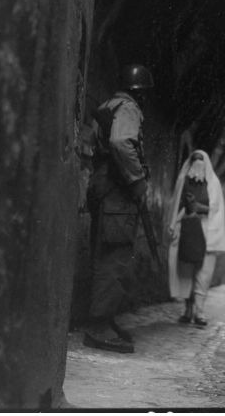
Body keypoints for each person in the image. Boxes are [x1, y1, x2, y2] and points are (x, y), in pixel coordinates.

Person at [83, 63, 154, 354]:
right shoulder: (128, 108)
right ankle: (99, 326)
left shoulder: (108, 105)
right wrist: (137, 180)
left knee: (106, 253)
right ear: (140, 92)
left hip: (103, 187)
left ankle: (105, 319)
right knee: (115, 257)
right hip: (118, 193)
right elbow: (121, 142)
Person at [167, 150, 225, 326]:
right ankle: (187, 310)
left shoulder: (213, 183)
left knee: (204, 275)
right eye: (195, 160)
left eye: (202, 160)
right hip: (187, 228)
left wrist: (199, 207)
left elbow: (216, 208)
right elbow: (177, 205)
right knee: (186, 272)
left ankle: (200, 312)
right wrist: (176, 222)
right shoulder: (183, 181)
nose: (198, 163)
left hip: (208, 230)